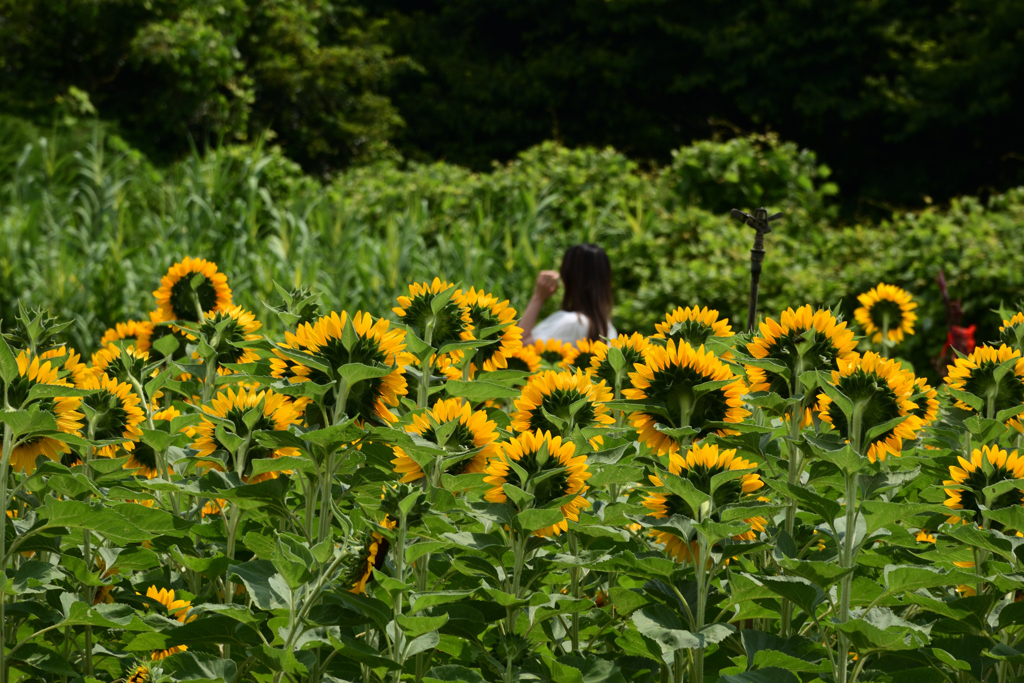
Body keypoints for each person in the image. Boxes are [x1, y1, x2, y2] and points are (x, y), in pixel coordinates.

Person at [520, 243, 618, 345]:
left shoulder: (571, 322)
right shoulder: (610, 330)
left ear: (566, 278)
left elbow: (519, 344)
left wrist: (538, 297)